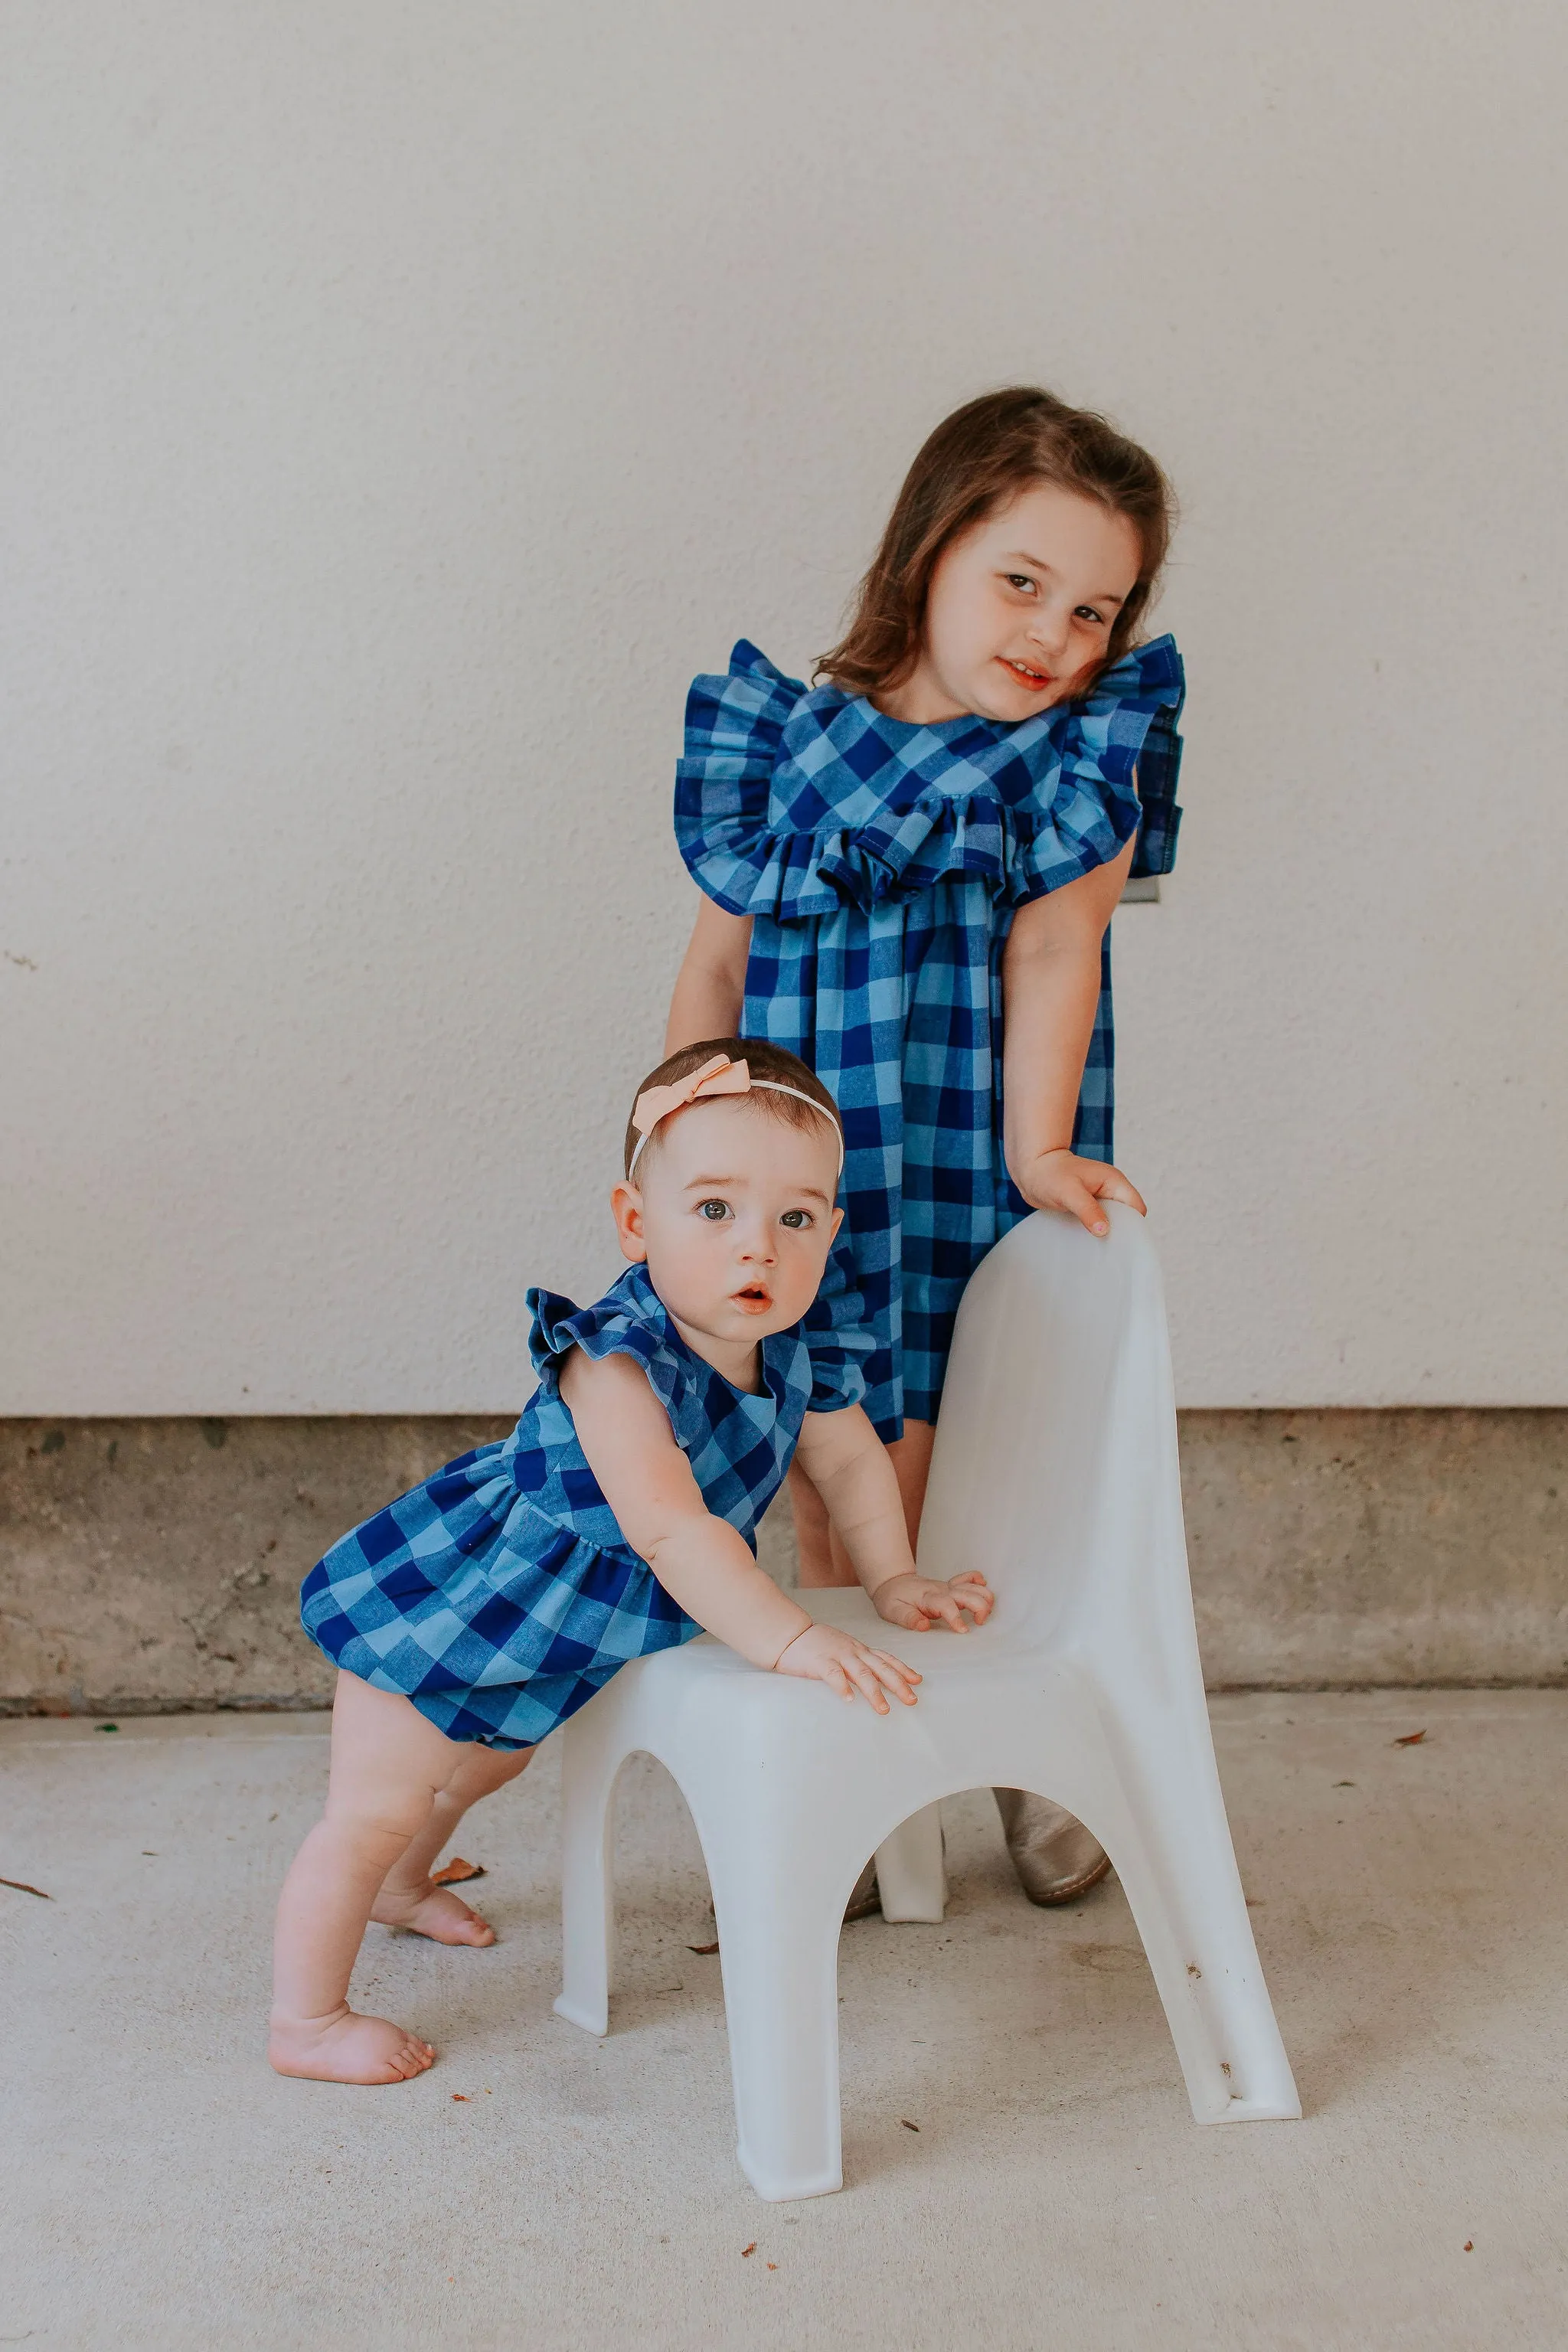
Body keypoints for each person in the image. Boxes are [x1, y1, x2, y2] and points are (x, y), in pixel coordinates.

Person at [665, 387, 1184, 1909]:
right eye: (1020, 581)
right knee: (823, 1478)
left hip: (967, 1143)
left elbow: (1056, 953)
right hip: (805, 1170)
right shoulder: (785, 745)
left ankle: (1018, 1749)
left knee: (970, 1462)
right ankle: (862, 1782)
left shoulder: (1078, 751)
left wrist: (1037, 1150)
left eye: (1094, 607)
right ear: (927, 547)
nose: (1054, 636)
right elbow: (713, 965)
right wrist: (681, 1116)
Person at [270, 1040, 991, 2085]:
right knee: (375, 1804)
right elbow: (673, 1530)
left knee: (487, 1760)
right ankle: (307, 2019)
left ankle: (401, 1886)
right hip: (459, 1598)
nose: (760, 1251)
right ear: (634, 1222)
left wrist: (893, 1579)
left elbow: (848, 1463)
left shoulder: (801, 1343)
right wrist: (789, 1636)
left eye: (795, 1219)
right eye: (715, 1211)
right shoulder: (615, 1359)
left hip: (566, 1619)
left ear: (831, 1232)